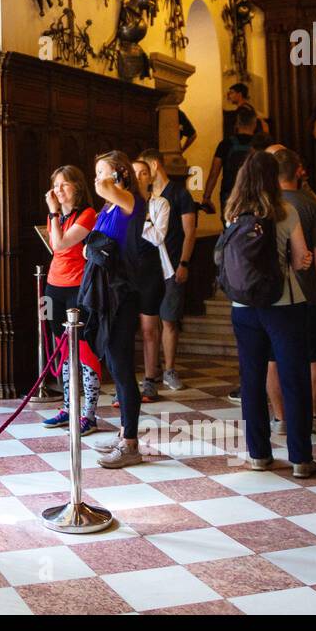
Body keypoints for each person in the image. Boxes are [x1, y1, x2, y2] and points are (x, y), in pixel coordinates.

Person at [223, 151, 316, 478]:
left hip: (243, 309)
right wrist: (301, 263)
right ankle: (301, 459)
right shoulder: (286, 211)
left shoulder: (233, 215)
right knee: (294, 379)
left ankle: (259, 454)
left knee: (251, 381)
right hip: (284, 306)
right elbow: (300, 257)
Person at [272, 149, 316, 429]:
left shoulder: (266, 203)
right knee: (314, 354)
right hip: (305, 291)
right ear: (297, 171)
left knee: (273, 357)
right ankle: (312, 415)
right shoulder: (311, 205)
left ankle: (280, 418)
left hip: (273, 293)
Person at [86, 151, 150, 468]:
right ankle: (125, 430)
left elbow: (104, 188)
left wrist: (109, 180)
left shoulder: (129, 202)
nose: (97, 177)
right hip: (105, 291)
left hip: (123, 293)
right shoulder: (110, 205)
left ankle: (130, 444)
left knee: (123, 369)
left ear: (121, 174)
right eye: (95, 171)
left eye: (102, 171)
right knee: (113, 362)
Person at [41, 166, 100, 435]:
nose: (59, 190)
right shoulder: (57, 216)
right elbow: (56, 245)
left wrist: (54, 213)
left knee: (84, 349)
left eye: (65, 185)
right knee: (62, 349)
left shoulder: (88, 214)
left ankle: (89, 414)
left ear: (77, 187)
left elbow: (62, 243)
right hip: (54, 284)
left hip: (78, 287)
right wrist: (55, 214)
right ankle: (68, 407)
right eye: (56, 185)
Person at [138, 148, 197, 392]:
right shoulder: (145, 197)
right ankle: (152, 371)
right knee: (149, 324)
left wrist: (184, 262)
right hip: (148, 268)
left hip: (172, 264)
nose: (141, 176)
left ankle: (170, 369)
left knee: (169, 319)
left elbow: (190, 231)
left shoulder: (180, 194)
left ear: (153, 165)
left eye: (143, 170)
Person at [133, 158, 167, 401]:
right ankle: (125, 383)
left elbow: (157, 237)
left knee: (149, 329)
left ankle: (150, 379)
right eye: (135, 173)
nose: (139, 177)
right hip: (127, 271)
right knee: (124, 329)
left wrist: (140, 216)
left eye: (144, 172)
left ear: (150, 176)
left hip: (151, 270)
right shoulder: (119, 206)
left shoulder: (160, 204)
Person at [201, 103, 257, 216]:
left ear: (237, 124)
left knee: (231, 229)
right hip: (254, 195)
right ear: (254, 124)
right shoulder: (260, 144)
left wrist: (206, 197)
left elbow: (214, 173)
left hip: (230, 194)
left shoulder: (225, 144)